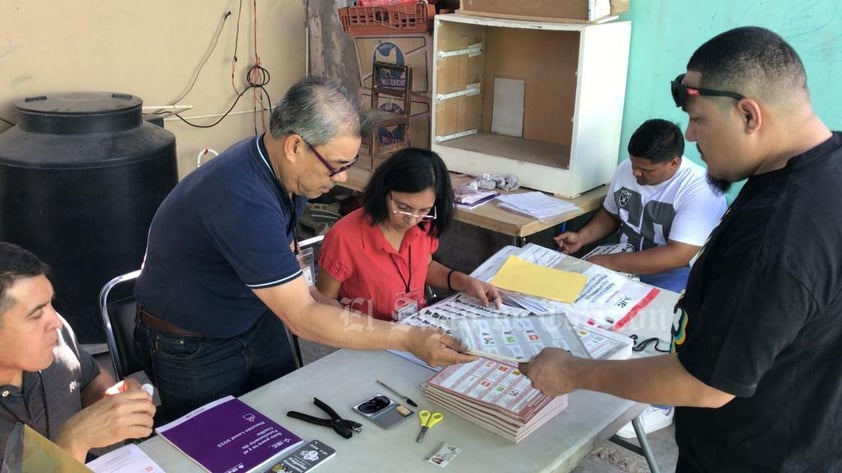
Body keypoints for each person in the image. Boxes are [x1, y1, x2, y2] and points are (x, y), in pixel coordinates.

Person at [520, 26, 842, 472]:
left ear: (750, 115)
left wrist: (571, 372)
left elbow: (706, 384)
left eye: (700, 119)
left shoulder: (777, 237)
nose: (690, 136)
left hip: (753, 456)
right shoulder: (827, 162)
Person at [134, 77, 476, 422]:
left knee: (284, 419)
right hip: (193, 343)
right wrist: (410, 338)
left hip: (256, 318)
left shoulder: (285, 174)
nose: (341, 177)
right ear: (295, 146)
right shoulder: (241, 197)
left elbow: (285, 264)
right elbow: (302, 320)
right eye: (337, 165)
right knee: (219, 445)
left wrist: (315, 297)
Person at [0, 242, 155, 464]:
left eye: (50, 304)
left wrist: (109, 404)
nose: (55, 321)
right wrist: (74, 441)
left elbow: (89, 378)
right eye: (36, 315)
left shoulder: (56, 336)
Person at [316, 147, 501, 321]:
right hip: (368, 339)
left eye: (424, 210)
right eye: (403, 208)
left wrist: (464, 282)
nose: (412, 220)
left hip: (416, 328)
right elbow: (325, 305)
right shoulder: (344, 237)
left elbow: (424, 267)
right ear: (384, 191)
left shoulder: (425, 225)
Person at [554, 119, 727, 293]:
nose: (635, 172)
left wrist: (608, 262)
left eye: (645, 169)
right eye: (633, 164)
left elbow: (678, 255)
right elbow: (611, 215)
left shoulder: (701, 188)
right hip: (624, 257)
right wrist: (582, 237)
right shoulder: (625, 169)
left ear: (674, 163)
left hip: (674, 271)